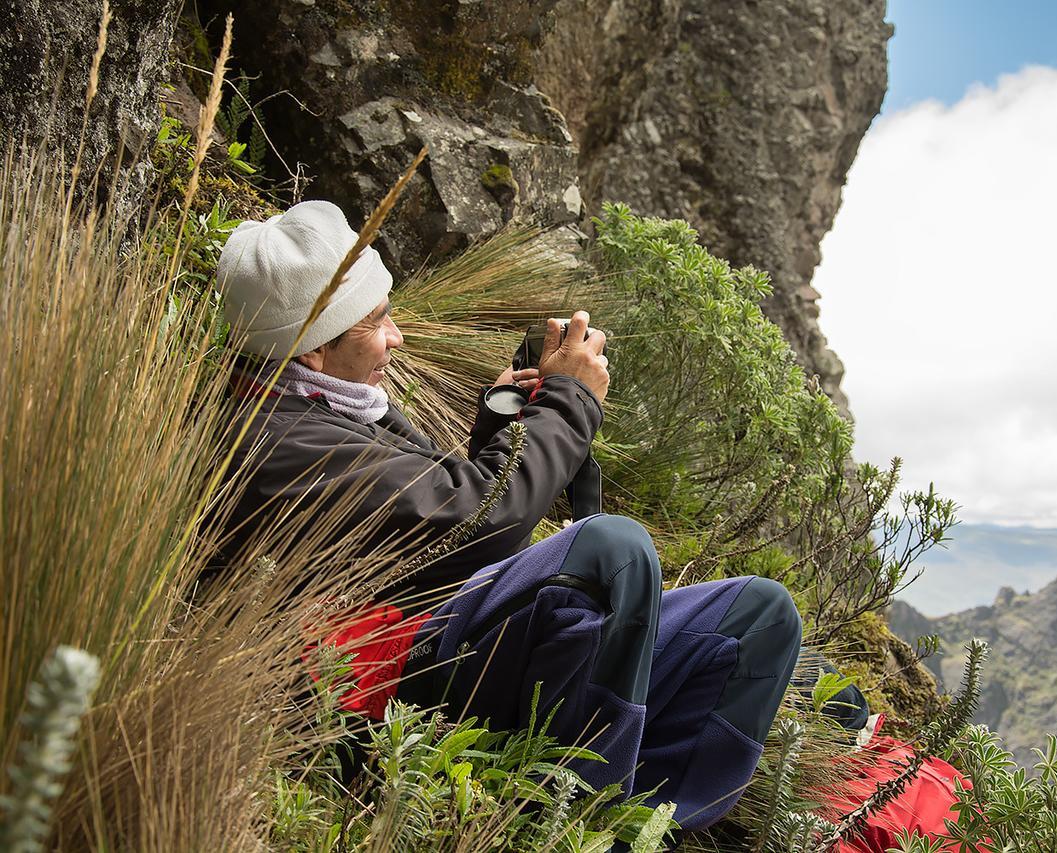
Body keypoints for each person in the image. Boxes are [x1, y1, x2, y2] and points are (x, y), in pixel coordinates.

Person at [213, 200, 803, 831]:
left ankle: (650, 828)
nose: (397, 338)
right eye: (376, 322)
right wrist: (570, 402)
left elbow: (445, 519)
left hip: (447, 622)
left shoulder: (330, 404)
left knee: (761, 617)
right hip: (398, 673)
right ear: (314, 352)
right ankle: (571, 823)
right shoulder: (272, 441)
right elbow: (480, 521)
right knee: (614, 551)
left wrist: (505, 422)